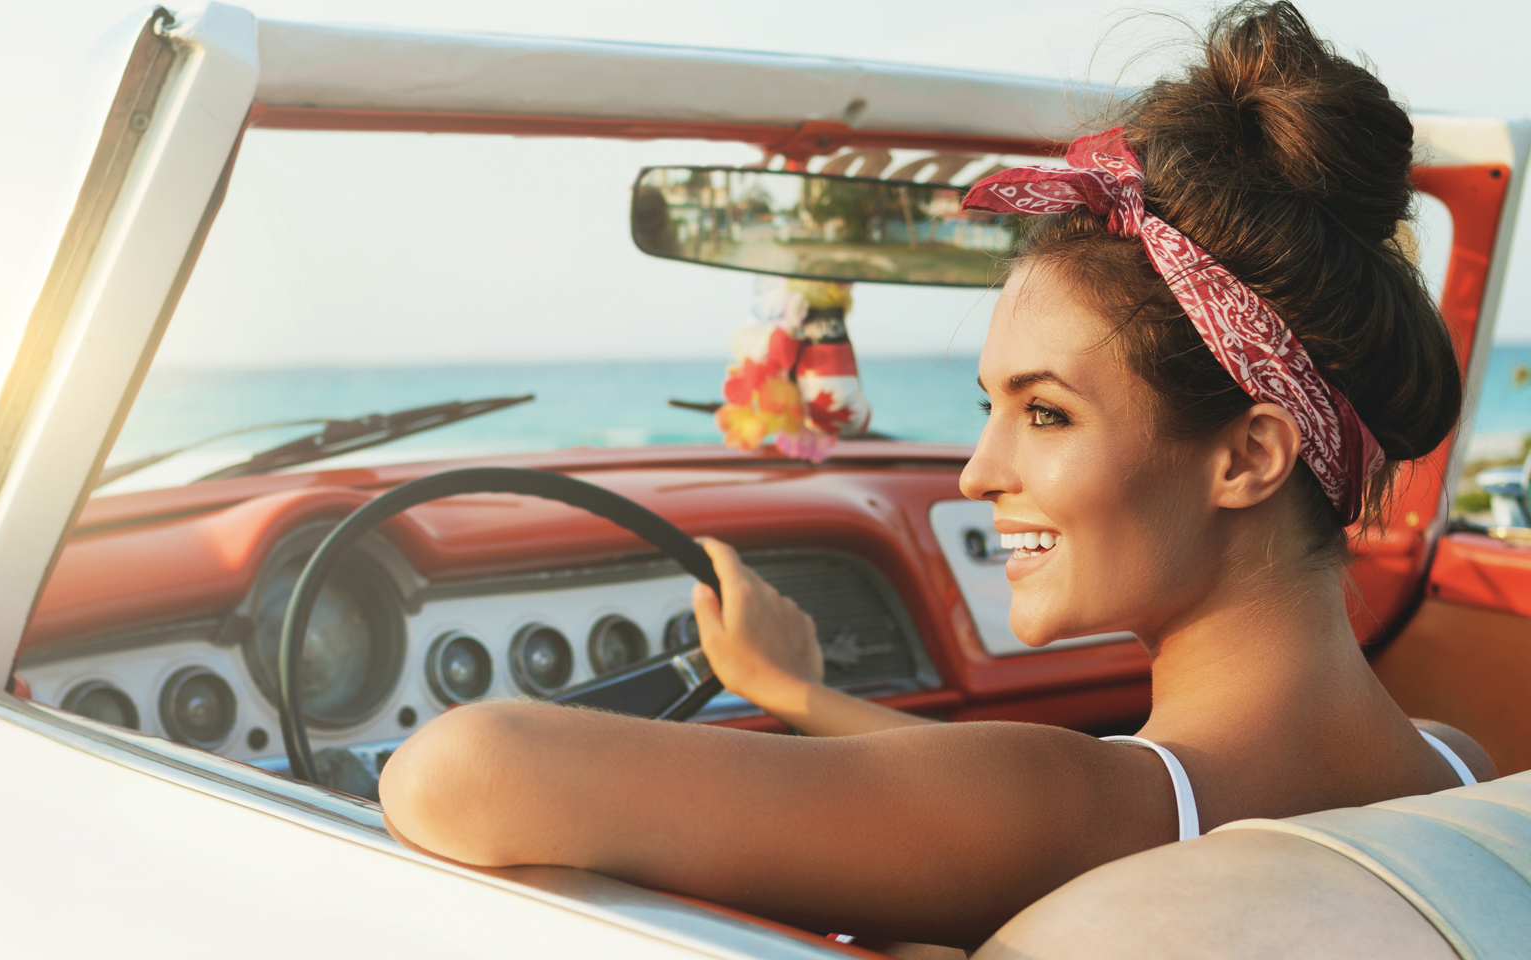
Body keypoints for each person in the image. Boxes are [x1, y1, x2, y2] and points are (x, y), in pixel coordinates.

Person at [378, 2, 1494, 949]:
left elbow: (459, 770)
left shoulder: (1074, 809)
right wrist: (800, 700)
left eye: (1044, 412)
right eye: (988, 410)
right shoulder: (1458, 775)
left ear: (1248, 455)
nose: (974, 474)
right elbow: (978, 801)